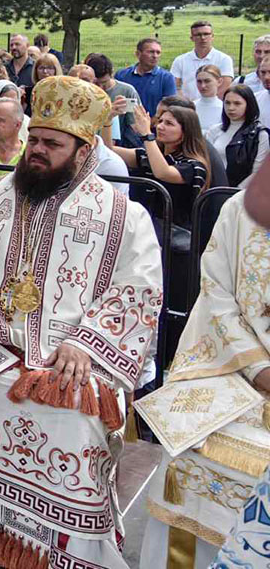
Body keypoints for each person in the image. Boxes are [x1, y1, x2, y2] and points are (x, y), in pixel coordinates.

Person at [0, 75, 162, 569]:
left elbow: (139, 292)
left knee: (74, 414)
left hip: (68, 360)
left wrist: (87, 343)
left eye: (52, 144)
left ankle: (63, 546)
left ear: (84, 150)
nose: (36, 151)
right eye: (34, 140)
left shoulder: (125, 214)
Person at [139, 192, 270, 569]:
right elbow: (216, 294)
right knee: (188, 449)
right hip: (238, 369)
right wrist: (259, 367)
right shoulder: (243, 209)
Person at [112, 101, 211, 231]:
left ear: (186, 132)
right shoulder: (150, 155)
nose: (160, 126)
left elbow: (163, 172)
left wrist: (147, 135)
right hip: (143, 226)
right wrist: (110, 120)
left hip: (173, 236)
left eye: (169, 123)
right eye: (160, 121)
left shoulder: (194, 165)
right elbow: (109, 150)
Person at [204, 84, 268, 188]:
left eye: (237, 103)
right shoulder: (215, 130)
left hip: (241, 194)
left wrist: (234, 192)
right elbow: (206, 161)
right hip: (213, 189)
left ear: (249, 105)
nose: (231, 108)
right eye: (227, 103)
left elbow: (258, 171)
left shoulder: (260, 134)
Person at [83, 53, 140, 147]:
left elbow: (135, 126)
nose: (100, 88)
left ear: (112, 73)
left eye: (104, 83)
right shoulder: (85, 91)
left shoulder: (127, 91)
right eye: (96, 83)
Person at [172, 20, 234, 99]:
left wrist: (207, 104)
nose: (203, 38)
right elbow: (174, 87)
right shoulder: (180, 60)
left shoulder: (224, 59)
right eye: (198, 35)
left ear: (212, 36)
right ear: (192, 38)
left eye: (206, 34)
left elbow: (225, 87)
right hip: (188, 108)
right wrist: (186, 105)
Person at [116, 37, 177, 115]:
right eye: (151, 52)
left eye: (158, 52)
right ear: (138, 54)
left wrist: (148, 124)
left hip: (153, 125)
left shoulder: (166, 78)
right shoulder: (122, 75)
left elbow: (169, 107)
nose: (155, 56)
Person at [192, 63, 225, 130]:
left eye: (207, 81)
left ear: (219, 82)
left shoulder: (224, 109)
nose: (203, 86)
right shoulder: (191, 107)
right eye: (199, 81)